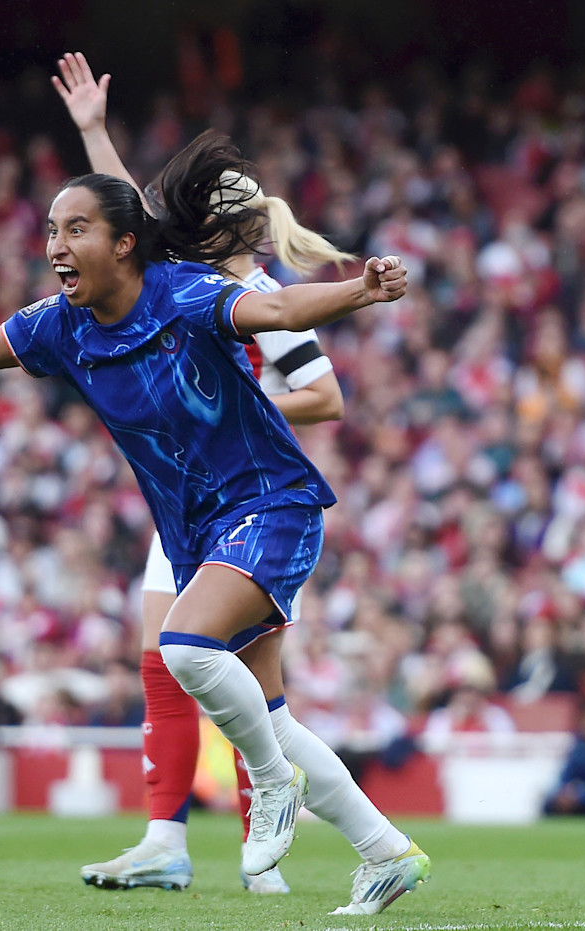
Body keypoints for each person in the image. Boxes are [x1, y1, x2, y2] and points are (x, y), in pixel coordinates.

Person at [0, 124, 429, 915]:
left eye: (75, 227)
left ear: (123, 243)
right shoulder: (60, 325)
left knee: (185, 647)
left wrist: (363, 288)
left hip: (270, 504)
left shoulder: (186, 293)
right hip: (197, 532)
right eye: (50, 228)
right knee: (269, 711)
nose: (55, 243)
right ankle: (385, 850)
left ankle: (273, 785)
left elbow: (282, 304)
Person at [51, 51, 349, 897]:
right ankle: (163, 838)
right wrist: (91, 130)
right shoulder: (162, 278)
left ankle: (268, 856)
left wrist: (233, 412)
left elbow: (325, 397)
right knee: (163, 658)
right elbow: (122, 210)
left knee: (247, 682)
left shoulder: (251, 293)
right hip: (180, 498)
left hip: (247, 499)